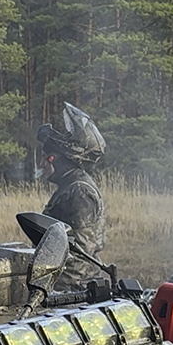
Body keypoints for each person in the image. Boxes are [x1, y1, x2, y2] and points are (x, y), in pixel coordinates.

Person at [36, 103, 106, 258]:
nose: (41, 164)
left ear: (55, 158)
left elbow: (81, 253)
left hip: (75, 274)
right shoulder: (69, 187)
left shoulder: (79, 192)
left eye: (44, 158)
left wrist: (53, 275)